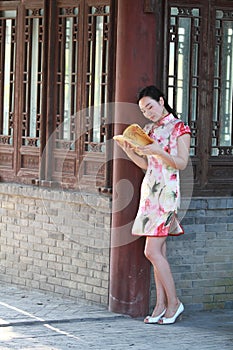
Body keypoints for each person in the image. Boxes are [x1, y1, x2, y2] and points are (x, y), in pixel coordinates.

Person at [115, 85, 191, 324]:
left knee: (151, 251)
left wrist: (158, 150)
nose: (148, 113)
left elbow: (180, 164)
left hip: (167, 195)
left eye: (150, 106)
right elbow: (149, 166)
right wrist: (129, 151)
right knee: (159, 252)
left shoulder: (180, 128)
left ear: (161, 101)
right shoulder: (148, 130)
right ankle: (160, 305)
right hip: (150, 193)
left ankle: (175, 303)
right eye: (143, 110)